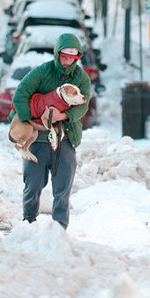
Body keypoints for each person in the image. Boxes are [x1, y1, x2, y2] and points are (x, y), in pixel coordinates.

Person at [9, 33, 91, 229]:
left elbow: (83, 103)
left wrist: (63, 116)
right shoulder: (42, 72)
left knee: (63, 185)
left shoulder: (81, 78)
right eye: (64, 56)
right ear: (57, 54)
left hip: (65, 135)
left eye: (72, 57)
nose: (67, 61)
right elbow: (20, 94)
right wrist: (29, 120)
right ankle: (29, 221)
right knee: (33, 184)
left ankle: (59, 228)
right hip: (38, 138)